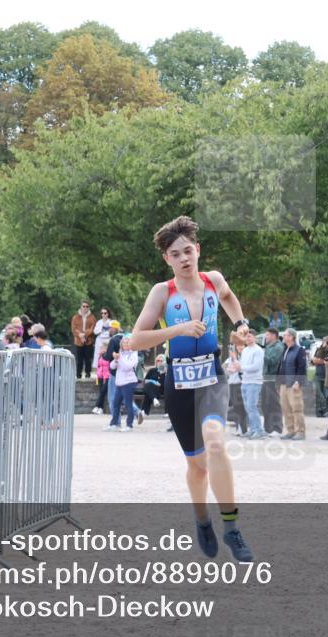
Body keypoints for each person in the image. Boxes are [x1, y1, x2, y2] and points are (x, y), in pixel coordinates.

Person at [129, 216, 255, 561]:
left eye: (188, 250)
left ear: (197, 250)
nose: (184, 258)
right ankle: (202, 519)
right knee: (197, 465)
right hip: (179, 383)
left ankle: (232, 528)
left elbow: (229, 298)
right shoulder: (162, 293)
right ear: (167, 260)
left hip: (213, 375)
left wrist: (241, 324)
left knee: (216, 441)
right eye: (175, 254)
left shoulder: (213, 280)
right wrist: (177, 330)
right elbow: (135, 340)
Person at [277, 328, 309, 441]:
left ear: (291, 337)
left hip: (294, 384)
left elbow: (302, 367)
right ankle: (291, 431)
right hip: (284, 384)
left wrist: (298, 382)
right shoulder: (285, 349)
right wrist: (279, 384)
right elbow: (281, 368)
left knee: (297, 409)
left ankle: (300, 432)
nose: (283, 337)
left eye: (285, 335)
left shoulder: (299, 350)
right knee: (286, 409)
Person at [238, 329, 267, 440]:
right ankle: (253, 429)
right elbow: (242, 365)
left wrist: (241, 367)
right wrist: (237, 368)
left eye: (250, 336)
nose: (248, 338)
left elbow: (256, 367)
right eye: (246, 336)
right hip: (245, 381)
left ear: (254, 337)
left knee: (251, 406)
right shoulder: (245, 350)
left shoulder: (258, 350)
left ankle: (259, 430)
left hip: (254, 382)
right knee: (247, 407)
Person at [107, 334, 139, 432]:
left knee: (128, 404)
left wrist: (119, 359)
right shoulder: (120, 353)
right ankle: (114, 424)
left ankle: (129, 425)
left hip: (129, 382)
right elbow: (112, 366)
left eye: (127, 342)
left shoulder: (133, 354)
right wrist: (116, 360)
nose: (125, 344)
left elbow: (127, 367)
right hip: (120, 382)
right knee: (115, 403)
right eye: (124, 342)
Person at [224, 332, 248, 436]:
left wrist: (234, 362)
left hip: (241, 384)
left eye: (242, 346)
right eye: (238, 346)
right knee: (236, 407)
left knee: (241, 407)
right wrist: (230, 363)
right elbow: (228, 370)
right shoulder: (231, 358)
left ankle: (243, 429)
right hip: (232, 384)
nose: (239, 348)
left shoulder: (245, 357)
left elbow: (240, 369)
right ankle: (239, 427)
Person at [261, 328, 284, 436]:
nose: (266, 337)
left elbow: (273, 361)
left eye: (268, 335)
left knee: (274, 404)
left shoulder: (278, 347)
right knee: (266, 404)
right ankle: (268, 428)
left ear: (274, 335)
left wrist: (262, 354)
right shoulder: (269, 346)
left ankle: (277, 428)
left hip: (273, 379)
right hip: (266, 378)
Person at [71, 301, 97, 379]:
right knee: (79, 359)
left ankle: (88, 374)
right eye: (83, 306)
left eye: (87, 306)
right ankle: (78, 374)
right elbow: (73, 328)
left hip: (89, 341)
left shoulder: (92, 317)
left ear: (89, 307)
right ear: (81, 307)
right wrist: (80, 335)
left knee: (88, 359)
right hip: (78, 341)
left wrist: (85, 335)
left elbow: (93, 328)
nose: (85, 308)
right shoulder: (75, 317)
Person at [92, 341, 111, 415]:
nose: (100, 349)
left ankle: (97, 406)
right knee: (101, 392)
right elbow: (99, 366)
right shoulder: (100, 355)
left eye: (102, 347)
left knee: (103, 391)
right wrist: (97, 375)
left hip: (107, 376)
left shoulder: (108, 356)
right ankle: (100, 408)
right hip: (100, 376)